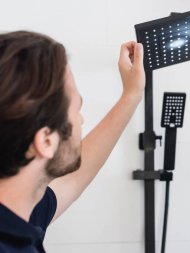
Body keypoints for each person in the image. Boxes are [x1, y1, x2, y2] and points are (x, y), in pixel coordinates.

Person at [0, 31, 145, 252]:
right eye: (77, 109)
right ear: (46, 141)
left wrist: (131, 94)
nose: (81, 119)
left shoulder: (19, 213)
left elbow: (74, 179)